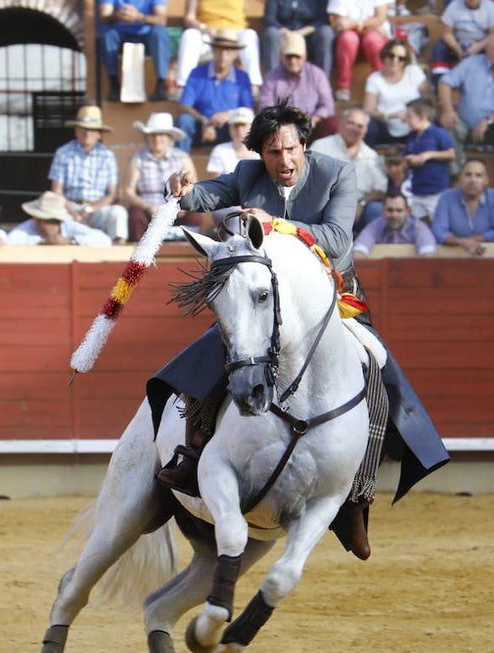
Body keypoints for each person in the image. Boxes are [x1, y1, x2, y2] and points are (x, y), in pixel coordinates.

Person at [160, 103, 450, 560]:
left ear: (305, 145)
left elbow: (336, 240)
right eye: (273, 152)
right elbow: (206, 195)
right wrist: (181, 190)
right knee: (223, 352)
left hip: (329, 300)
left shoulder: (337, 173)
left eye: (291, 149)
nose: (284, 160)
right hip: (268, 302)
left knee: (374, 366)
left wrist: (275, 224)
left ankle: (356, 496)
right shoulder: (247, 174)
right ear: (260, 152)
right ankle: (195, 454)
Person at [436, 32, 494, 177]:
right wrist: (448, 110)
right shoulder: (471, 63)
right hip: (466, 126)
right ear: (487, 48)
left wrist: (488, 121)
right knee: (449, 123)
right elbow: (444, 82)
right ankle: (456, 174)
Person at [48, 105, 128, 245]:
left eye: (92, 130)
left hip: (97, 208)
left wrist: (90, 210)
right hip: (68, 207)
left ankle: (118, 254)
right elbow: (57, 191)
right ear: (76, 131)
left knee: (118, 213)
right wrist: (74, 213)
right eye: (83, 129)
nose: (87, 133)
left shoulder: (107, 155)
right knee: (49, 215)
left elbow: (111, 194)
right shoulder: (63, 152)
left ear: (99, 133)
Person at [125, 112, 203, 241]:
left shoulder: (182, 158)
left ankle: (189, 254)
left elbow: (194, 187)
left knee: (195, 215)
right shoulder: (138, 159)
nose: (156, 139)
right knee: (136, 216)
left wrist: (183, 205)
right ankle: (139, 257)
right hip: (148, 210)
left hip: (177, 209)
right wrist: (147, 207)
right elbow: (128, 191)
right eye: (153, 135)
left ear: (169, 138)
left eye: (161, 135)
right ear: (147, 137)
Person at [175, 30, 254, 152]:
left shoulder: (242, 77)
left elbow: (248, 109)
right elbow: (184, 105)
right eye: (220, 49)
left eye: (228, 50)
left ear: (234, 54)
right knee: (184, 120)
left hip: (229, 126)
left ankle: (243, 162)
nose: (223, 54)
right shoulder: (196, 73)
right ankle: (179, 162)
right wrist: (205, 121)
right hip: (201, 126)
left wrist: (229, 115)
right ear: (213, 50)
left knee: (243, 124)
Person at [312, 107, 389, 230]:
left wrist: (362, 203)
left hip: (359, 207)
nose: (354, 129)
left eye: (360, 126)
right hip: (326, 203)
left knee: (377, 210)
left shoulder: (371, 155)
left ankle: (364, 246)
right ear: (341, 123)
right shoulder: (321, 146)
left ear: (366, 130)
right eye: (350, 123)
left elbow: (381, 188)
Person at [257, 32, 337, 141]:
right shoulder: (271, 77)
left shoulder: (317, 74)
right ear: (281, 56)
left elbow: (328, 106)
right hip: (281, 129)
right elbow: (265, 108)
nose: (293, 61)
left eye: (297, 56)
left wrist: (313, 119)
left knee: (331, 123)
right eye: (289, 56)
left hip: (312, 126)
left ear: (305, 56)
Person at [175, 0, 262, 93]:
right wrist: (204, 28)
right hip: (208, 34)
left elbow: (245, 9)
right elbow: (189, 18)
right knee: (189, 35)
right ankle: (183, 86)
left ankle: (254, 86)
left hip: (234, 35)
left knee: (250, 35)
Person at [431, 158, 494, 255]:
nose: (472, 180)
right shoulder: (447, 197)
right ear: (460, 178)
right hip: (455, 259)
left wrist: (469, 241)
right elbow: (437, 232)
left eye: (478, 176)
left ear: (486, 181)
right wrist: (461, 242)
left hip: (489, 259)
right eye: (468, 175)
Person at [362, 37, 430, 147]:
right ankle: (366, 160)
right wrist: (391, 115)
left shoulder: (413, 72)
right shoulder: (374, 79)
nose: (395, 60)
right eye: (391, 55)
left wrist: (413, 115)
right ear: (384, 56)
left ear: (405, 61)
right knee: (369, 123)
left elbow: (428, 99)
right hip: (386, 126)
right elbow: (368, 110)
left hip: (414, 125)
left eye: (401, 58)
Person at [98, 0, 171, 102]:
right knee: (107, 33)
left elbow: (162, 19)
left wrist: (138, 17)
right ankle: (114, 83)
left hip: (146, 35)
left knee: (160, 33)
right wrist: (117, 15)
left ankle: (161, 84)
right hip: (120, 35)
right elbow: (104, 16)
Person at [403, 98, 456, 221]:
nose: (406, 121)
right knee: (416, 226)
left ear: (422, 117)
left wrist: (428, 155)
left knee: (438, 225)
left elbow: (451, 154)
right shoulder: (411, 137)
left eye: (409, 117)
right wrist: (409, 160)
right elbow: (406, 158)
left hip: (436, 191)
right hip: (416, 190)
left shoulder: (438, 133)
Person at [328, 0, 392, 102]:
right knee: (348, 39)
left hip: (372, 33)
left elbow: (380, 18)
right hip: (350, 34)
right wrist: (368, 24)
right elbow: (338, 21)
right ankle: (343, 87)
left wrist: (356, 23)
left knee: (373, 40)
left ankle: (383, 84)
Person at [430, 0, 494, 83]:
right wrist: (457, 48)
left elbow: (493, 35)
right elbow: (447, 33)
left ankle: (489, 81)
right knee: (439, 48)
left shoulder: (490, 6)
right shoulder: (454, 5)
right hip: (458, 43)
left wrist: (478, 47)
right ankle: (440, 82)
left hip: (482, 45)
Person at [7, 191, 112, 247]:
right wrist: (42, 242)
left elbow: (104, 239)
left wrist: (71, 241)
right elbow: (10, 241)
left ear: (58, 222)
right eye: (41, 219)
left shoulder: (69, 225)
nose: (43, 224)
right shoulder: (25, 228)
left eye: (49, 221)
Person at [262, 0, 334, 77]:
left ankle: (323, 80)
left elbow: (323, 19)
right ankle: (272, 81)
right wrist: (287, 33)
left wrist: (303, 32)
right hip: (284, 37)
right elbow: (269, 18)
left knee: (326, 32)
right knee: (271, 33)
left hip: (310, 37)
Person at [352, 192, 437, 256]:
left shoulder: (418, 227)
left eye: (399, 210)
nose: (394, 215)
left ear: (408, 212)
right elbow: (359, 249)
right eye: (390, 210)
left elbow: (428, 253)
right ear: (383, 211)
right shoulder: (376, 225)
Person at [206, 107, 258, 177]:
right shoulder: (219, 150)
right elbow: (214, 183)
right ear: (230, 128)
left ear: (252, 127)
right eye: (235, 126)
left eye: (243, 125)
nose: (239, 130)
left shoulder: (261, 150)